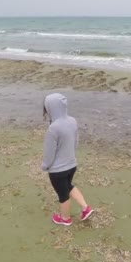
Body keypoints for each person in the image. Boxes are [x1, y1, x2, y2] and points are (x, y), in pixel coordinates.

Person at [42, 93, 93, 225]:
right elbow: (76, 142)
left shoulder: (53, 128)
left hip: (57, 170)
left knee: (63, 195)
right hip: (72, 165)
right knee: (68, 186)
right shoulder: (72, 121)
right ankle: (85, 208)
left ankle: (65, 219)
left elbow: (49, 152)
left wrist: (45, 165)